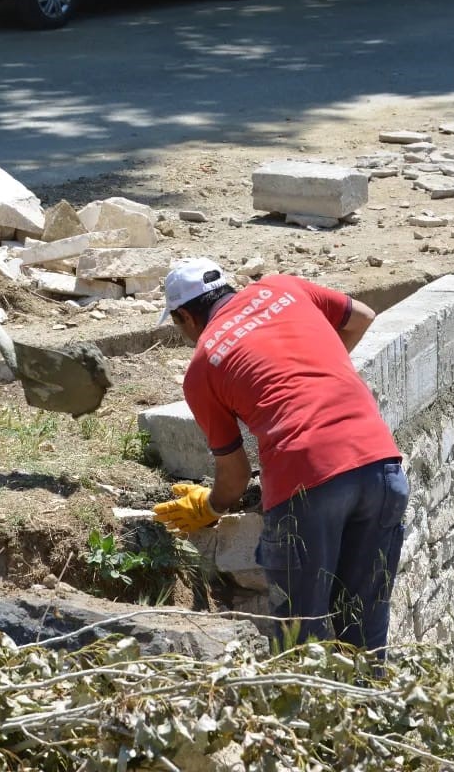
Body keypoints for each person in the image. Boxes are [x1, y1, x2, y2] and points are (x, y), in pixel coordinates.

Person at [152, 259, 409, 654]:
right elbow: (361, 316)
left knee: (300, 638)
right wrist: (318, 376)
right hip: (382, 464)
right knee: (363, 627)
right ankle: (370, 708)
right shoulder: (281, 287)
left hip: (307, 482)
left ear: (185, 316)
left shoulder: (204, 365)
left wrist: (210, 507)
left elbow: (235, 477)